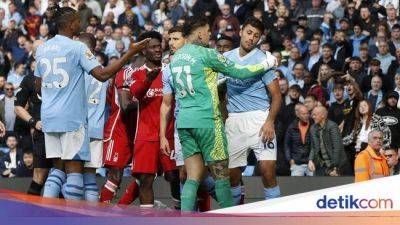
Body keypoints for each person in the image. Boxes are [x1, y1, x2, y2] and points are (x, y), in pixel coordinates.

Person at [35, 6, 149, 200]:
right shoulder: (77, 47)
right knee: (75, 170)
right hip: (71, 118)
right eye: (79, 21)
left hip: (49, 116)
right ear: (72, 25)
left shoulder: (42, 48)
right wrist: (129, 54)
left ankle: (48, 215)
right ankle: (75, 218)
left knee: (57, 168)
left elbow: (38, 86)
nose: (82, 24)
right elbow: (103, 75)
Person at [168, 16, 276, 211]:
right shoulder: (208, 54)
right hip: (207, 121)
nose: (210, 34)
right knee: (221, 177)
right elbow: (241, 73)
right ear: (200, 33)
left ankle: (184, 219)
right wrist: (266, 64)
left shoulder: (175, 58)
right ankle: (229, 219)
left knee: (192, 178)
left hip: (184, 121)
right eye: (208, 31)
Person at [221, 17, 281, 205]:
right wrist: (224, 119)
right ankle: (236, 216)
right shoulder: (226, 59)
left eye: (256, 36)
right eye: (248, 33)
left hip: (260, 119)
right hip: (235, 120)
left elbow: (277, 96)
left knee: (267, 171)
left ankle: (274, 216)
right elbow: (220, 92)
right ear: (240, 32)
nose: (251, 38)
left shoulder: (264, 60)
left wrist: (270, 121)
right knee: (231, 175)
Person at [15, 39, 52, 195]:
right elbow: (18, 107)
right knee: (40, 173)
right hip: (42, 132)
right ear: (35, 55)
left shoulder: (61, 75)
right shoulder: (29, 79)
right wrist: (33, 122)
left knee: (62, 172)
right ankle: (30, 212)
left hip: (63, 129)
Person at [78, 33, 109, 202]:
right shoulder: (103, 72)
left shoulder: (78, 70)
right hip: (96, 129)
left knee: (72, 177)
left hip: (77, 129)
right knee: (90, 178)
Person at [309, 106, 348, 176]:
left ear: (323, 115)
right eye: (312, 115)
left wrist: (335, 167)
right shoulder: (313, 128)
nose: (313, 117)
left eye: (315, 115)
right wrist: (310, 160)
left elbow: (337, 147)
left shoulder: (332, 126)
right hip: (322, 164)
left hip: (337, 164)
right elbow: (313, 147)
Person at [285, 104, 313, 176]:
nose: (306, 116)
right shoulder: (292, 127)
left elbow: (315, 145)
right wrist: (290, 159)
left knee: (315, 186)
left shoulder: (313, 126)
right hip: (296, 163)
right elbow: (287, 145)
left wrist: (312, 159)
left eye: (307, 113)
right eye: (303, 114)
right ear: (298, 115)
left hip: (311, 162)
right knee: (296, 186)